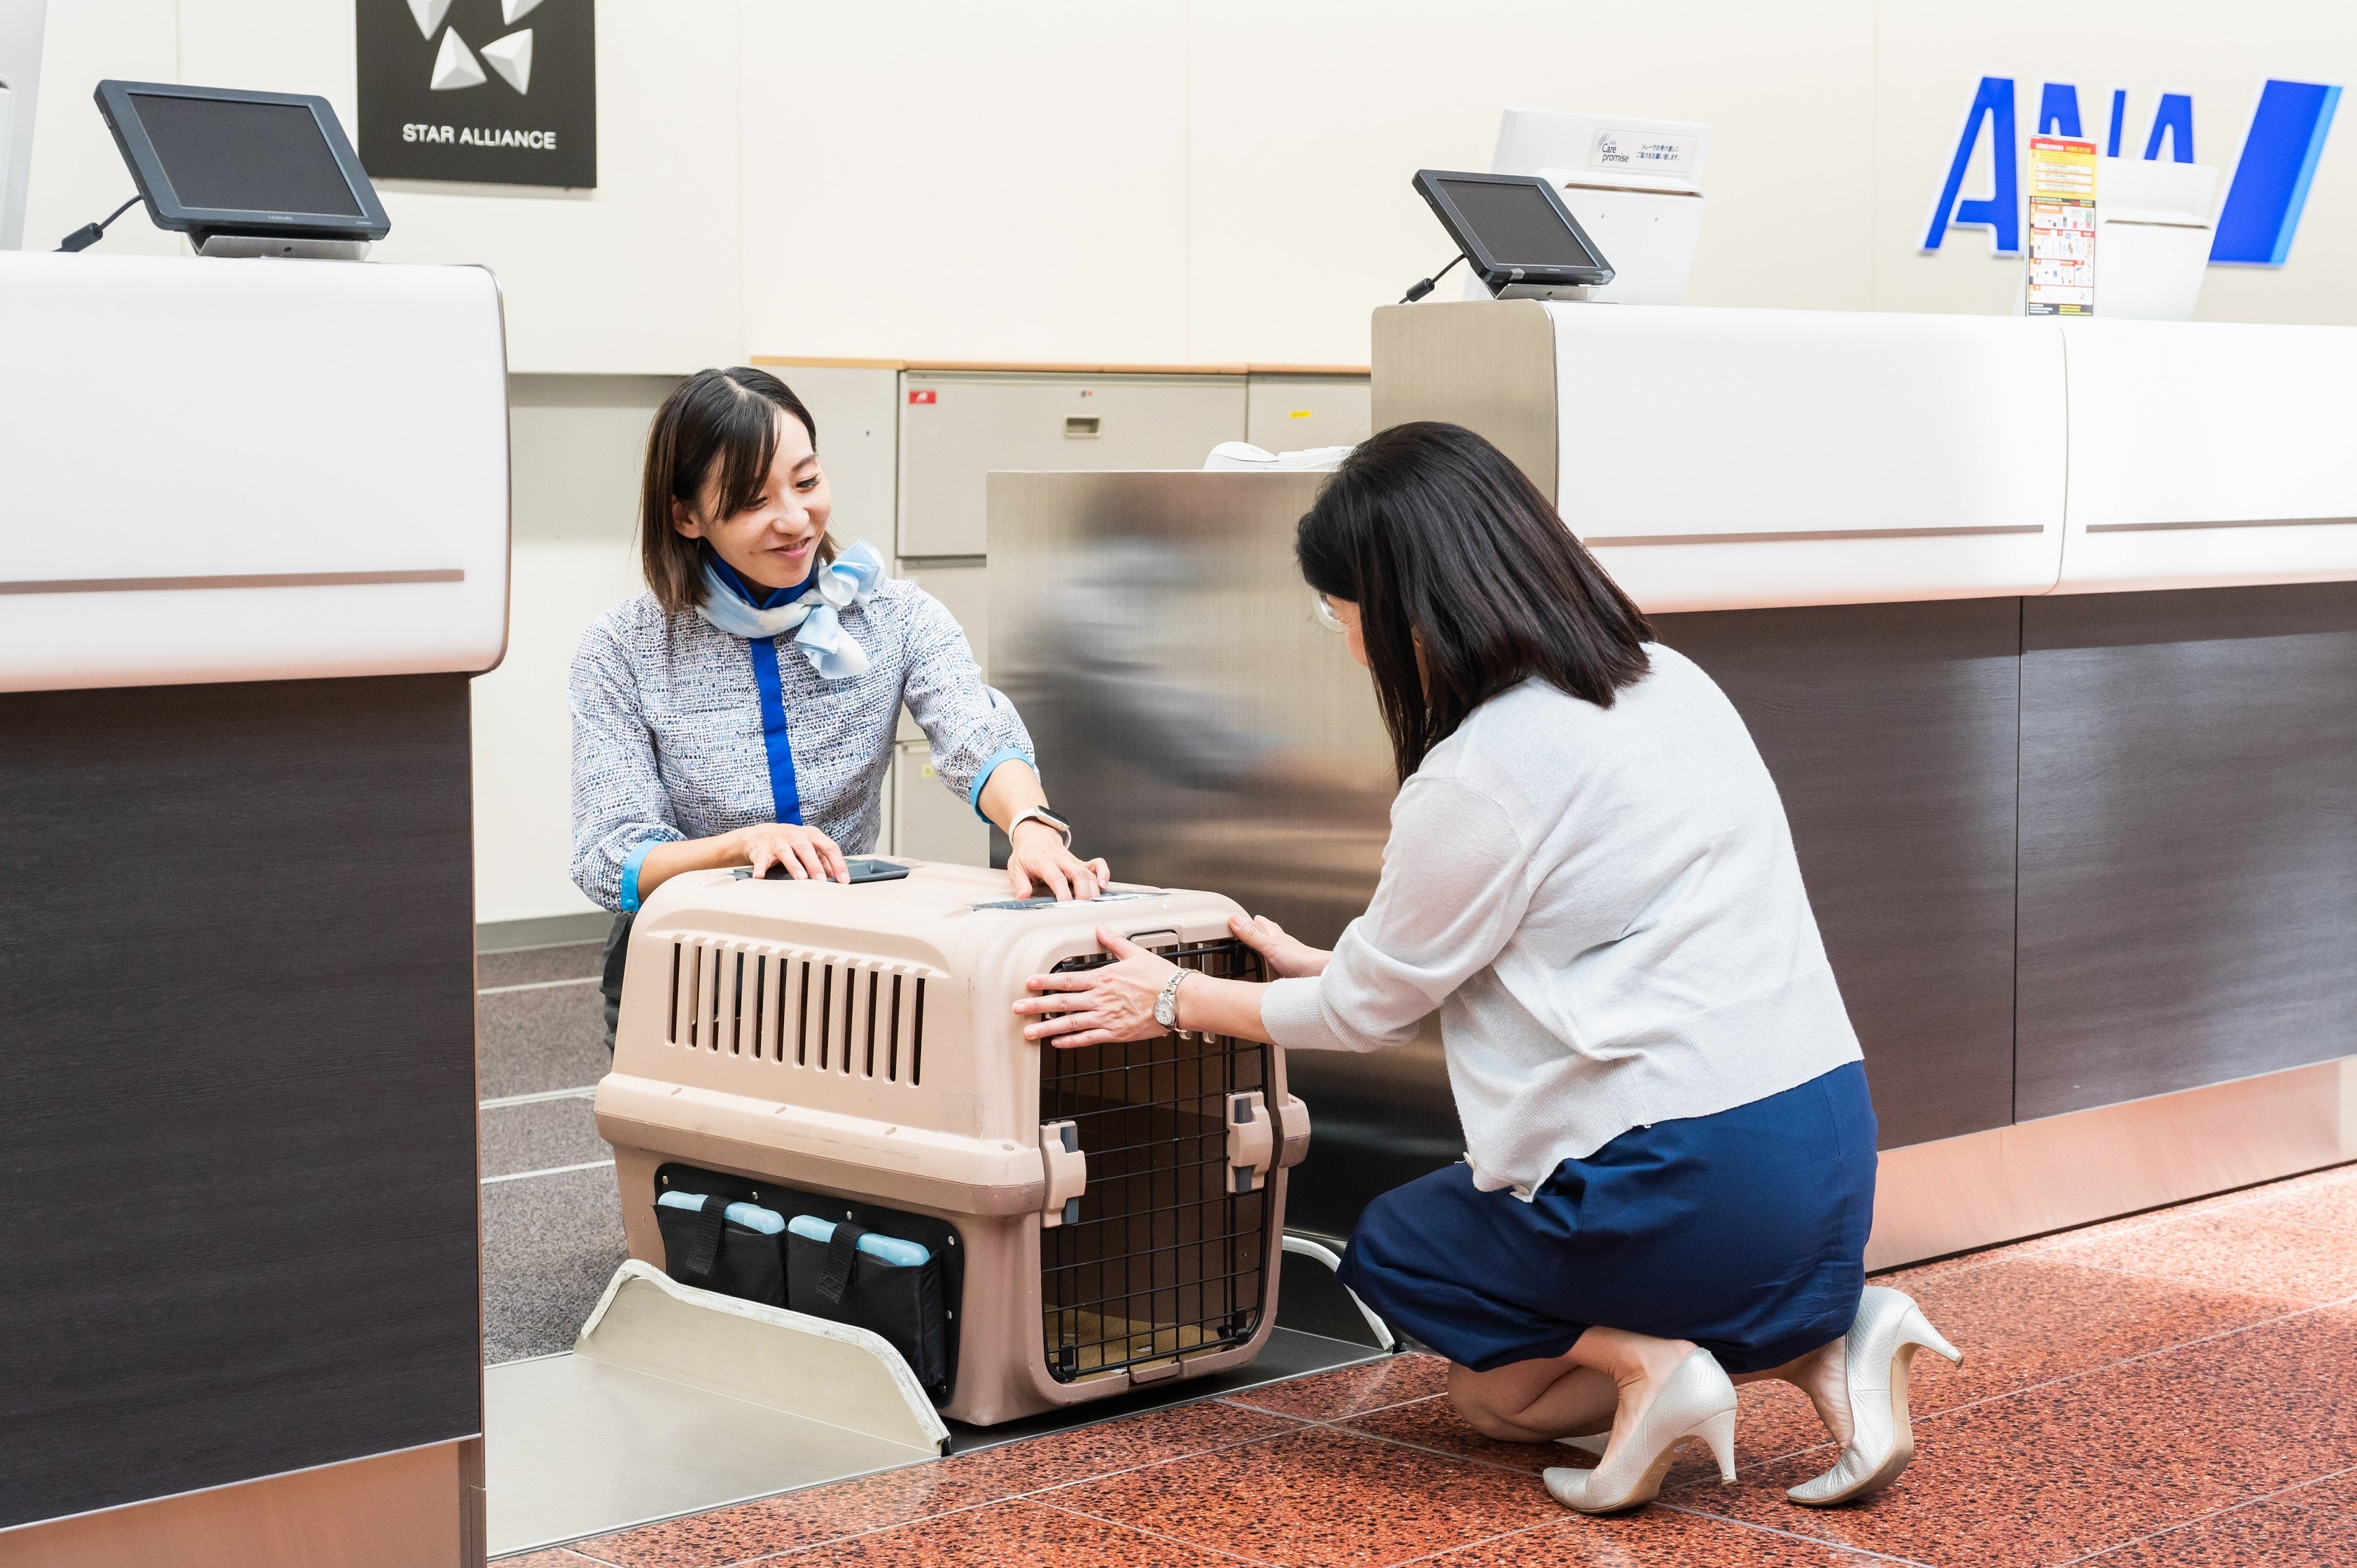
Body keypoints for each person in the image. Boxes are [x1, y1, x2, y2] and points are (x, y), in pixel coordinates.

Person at [1011, 421, 1960, 1515]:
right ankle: (1819, 1337)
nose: (1345, 639)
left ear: (1405, 607)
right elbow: (1541, 957)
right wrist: (1324, 965)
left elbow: (1367, 1012)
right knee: (1490, 1406)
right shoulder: (1673, 683)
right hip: (1828, 1152)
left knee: (1402, 1246)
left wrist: (1169, 998)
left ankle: (1657, 1361)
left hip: (1687, 1179)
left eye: (1339, 614)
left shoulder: (1482, 768)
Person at [571, 367, 1107, 1045]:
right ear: (686, 515)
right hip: (686, 962)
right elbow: (609, 858)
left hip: (846, 949)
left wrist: (1030, 825)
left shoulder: (895, 616)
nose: (795, 519)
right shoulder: (623, 647)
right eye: (750, 500)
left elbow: (976, 731)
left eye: (806, 481)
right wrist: (744, 845)